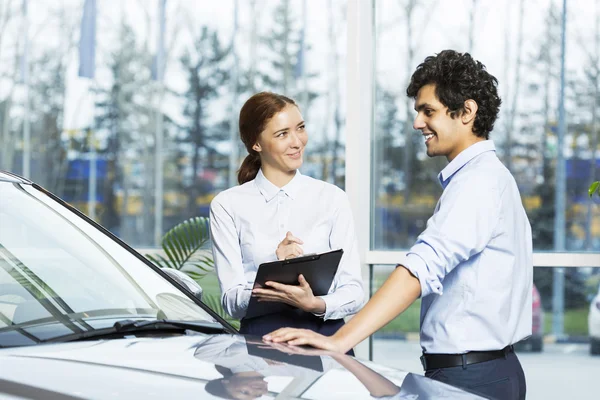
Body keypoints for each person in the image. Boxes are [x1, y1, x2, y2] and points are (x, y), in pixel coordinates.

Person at [264, 50, 532, 400]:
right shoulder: (482, 179)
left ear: (467, 112)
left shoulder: (478, 183)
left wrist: (339, 341)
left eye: (428, 111)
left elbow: (419, 269)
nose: (418, 123)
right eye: (419, 112)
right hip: (474, 372)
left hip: (473, 377)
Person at [209, 92, 365, 352]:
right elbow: (231, 301)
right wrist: (275, 268)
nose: (297, 142)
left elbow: (354, 291)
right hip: (262, 341)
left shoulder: (332, 198)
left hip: (327, 338)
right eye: (282, 134)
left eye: (300, 128)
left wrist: (315, 304)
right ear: (256, 144)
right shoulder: (228, 205)